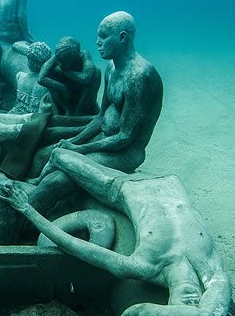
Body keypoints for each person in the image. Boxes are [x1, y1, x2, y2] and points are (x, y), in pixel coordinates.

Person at [0, 148, 231, 316]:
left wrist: (26, 208)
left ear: (168, 305)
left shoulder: (143, 266)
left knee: (60, 155)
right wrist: (150, 312)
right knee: (59, 156)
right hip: (169, 182)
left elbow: (72, 244)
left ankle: (31, 184)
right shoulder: (212, 272)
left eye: (180, 311)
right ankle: (36, 180)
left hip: (120, 186)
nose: (190, 303)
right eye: (194, 307)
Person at [30, 11, 163, 212]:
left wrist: (78, 150)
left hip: (125, 152)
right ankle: (37, 196)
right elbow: (101, 118)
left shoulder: (139, 77)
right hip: (104, 138)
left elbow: (125, 138)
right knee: (42, 155)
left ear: (122, 37)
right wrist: (72, 142)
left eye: (103, 36)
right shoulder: (111, 68)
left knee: (57, 180)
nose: (97, 42)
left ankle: (24, 222)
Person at [37, 36, 101, 116]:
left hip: (79, 88)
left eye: (63, 61)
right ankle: (66, 109)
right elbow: (40, 78)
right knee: (50, 73)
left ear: (75, 56)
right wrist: (61, 87)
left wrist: (64, 71)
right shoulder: (58, 56)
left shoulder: (84, 54)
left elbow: (85, 77)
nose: (59, 64)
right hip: (64, 92)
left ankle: (80, 110)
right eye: (59, 60)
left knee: (97, 72)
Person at [9, 41, 53, 114]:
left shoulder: (20, 76)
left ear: (29, 61)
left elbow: (16, 103)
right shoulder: (48, 85)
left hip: (15, 114)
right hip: (35, 118)